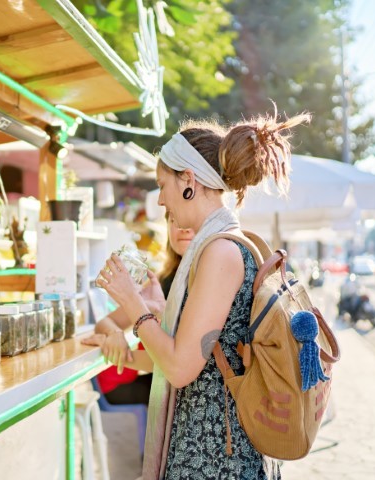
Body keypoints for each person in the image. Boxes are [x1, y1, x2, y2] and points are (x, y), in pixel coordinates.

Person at [96, 110, 309, 480]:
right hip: (214, 449)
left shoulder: (220, 252)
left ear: (188, 181)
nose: (161, 200)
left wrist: (133, 303)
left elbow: (180, 368)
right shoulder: (222, 245)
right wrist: (127, 353)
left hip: (216, 458)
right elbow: (201, 365)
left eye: (163, 184)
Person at [81, 213, 193, 406]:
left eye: (189, 218)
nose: (183, 227)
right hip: (162, 382)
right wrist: (115, 334)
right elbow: (105, 323)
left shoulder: (208, 283)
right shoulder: (161, 282)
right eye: (173, 220)